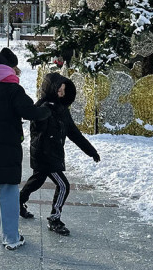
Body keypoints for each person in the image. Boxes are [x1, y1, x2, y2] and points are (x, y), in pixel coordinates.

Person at [0, 47, 49, 251]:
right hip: (6, 148)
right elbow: (30, 111)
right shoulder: (13, 89)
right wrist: (47, 110)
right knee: (8, 190)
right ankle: (11, 237)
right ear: (10, 69)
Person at [18, 72, 100, 236]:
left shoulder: (62, 110)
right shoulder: (42, 108)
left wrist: (91, 151)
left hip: (53, 154)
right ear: (51, 90)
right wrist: (44, 115)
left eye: (63, 90)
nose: (62, 94)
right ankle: (54, 219)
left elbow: (74, 134)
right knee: (63, 185)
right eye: (59, 90)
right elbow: (36, 131)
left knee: (36, 182)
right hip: (45, 155)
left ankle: (17, 202)